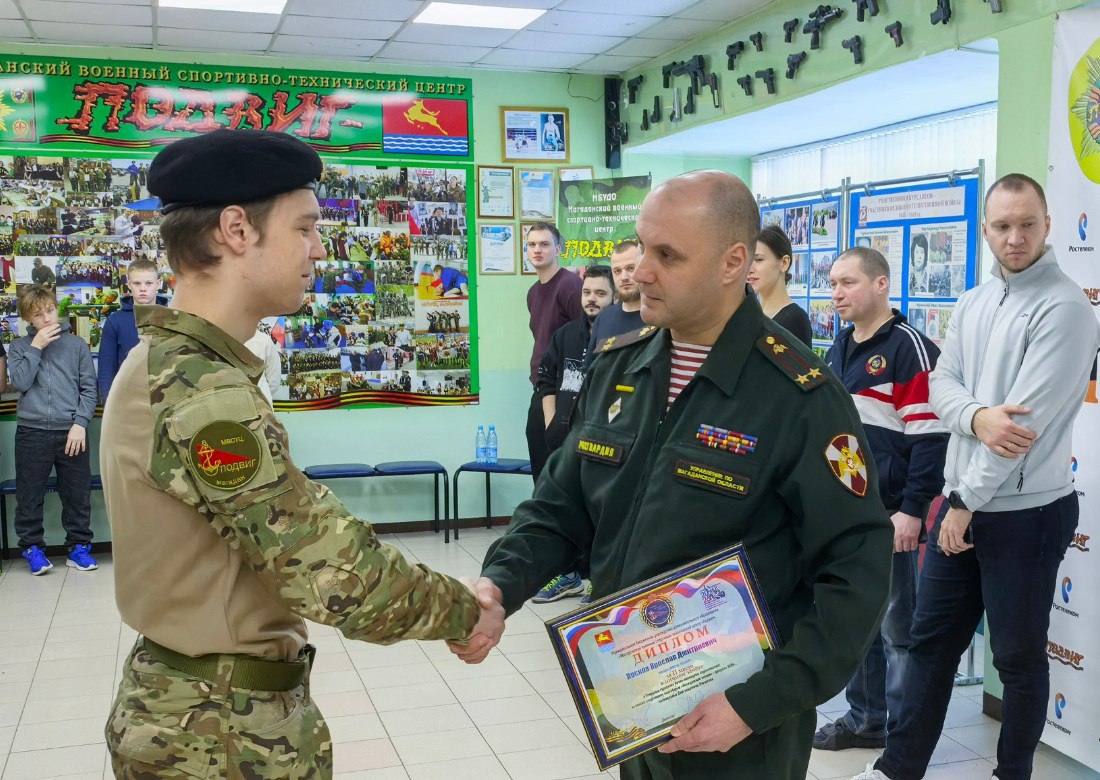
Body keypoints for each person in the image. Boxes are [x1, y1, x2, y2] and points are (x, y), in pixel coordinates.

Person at [454, 170, 893, 780]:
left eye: (667, 255)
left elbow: (857, 568)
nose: (640, 271)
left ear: (732, 262)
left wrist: (760, 702)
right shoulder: (620, 367)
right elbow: (560, 506)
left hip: (740, 728)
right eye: (641, 247)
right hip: (635, 700)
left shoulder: (799, 396)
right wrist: (500, 585)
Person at [100, 129, 503, 778]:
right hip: (217, 735)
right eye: (305, 228)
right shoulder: (203, 391)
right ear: (237, 230)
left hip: (204, 711)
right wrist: (465, 612)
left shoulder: (180, 366)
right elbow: (327, 569)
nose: (319, 248)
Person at [852, 174, 1100, 780]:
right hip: (960, 503)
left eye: (1027, 224)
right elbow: (941, 385)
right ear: (986, 230)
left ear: (1047, 225)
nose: (1015, 237)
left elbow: (1021, 430)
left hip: (1025, 515)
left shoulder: (1066, 308)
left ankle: (1011, 773)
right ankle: (896, 769)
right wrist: (976, 417)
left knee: (1017, 660)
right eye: (1002, 226)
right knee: (931, 645)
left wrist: (962, 500)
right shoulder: (973, 301)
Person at [816, 247, 948, 752]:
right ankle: (866, 720)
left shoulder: (908, 347)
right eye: (833, 283)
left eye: (847, 282)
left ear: (881, 284)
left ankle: (903, 737)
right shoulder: (840, 345)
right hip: (849, 513)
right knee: (860, 623)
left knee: (898, 632)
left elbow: (930, 437)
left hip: (893, 514)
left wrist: (912, 510)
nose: (836, 293)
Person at [531, 264, 615, 604]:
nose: (592, 299)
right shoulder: (565, 334)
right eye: (587, 292)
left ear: (614, 298)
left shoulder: (622, 338)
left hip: (602, 446)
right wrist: (552, 421)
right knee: (563, 509)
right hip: (563, 441)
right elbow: (545, 379)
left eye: (600, 293)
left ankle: (598, 578)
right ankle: (567, 576)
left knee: (600, 512)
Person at [7, 284, 98, 575]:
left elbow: (89, 390)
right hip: (32, 432)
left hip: (72, 432)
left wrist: (80, 424)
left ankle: (79, 548)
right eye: (38, 315)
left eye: (50, 310)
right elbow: (21, 382)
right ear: (27, 319)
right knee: (29, 495)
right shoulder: (19, 347)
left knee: (77, 494)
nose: (47, 318)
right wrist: (36, 347)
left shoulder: (77, 345)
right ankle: (32, 549)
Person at [525, 221, 582, 482]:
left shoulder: (570, 286)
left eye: (544, 244)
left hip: (566, 392)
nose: (537, 250)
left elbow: (586, 335)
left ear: (558, 249)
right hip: (541, 386)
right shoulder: (533, 292)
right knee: (539, 459)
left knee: (562, 470)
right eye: (532, 245)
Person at [98, 259, 166, 401]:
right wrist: (109, 405)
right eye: (137, 283)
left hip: (165, 399)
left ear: (158, 283)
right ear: (128, 284)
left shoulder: (172, 319)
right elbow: (106, 370)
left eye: (148, 283)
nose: (143, 288)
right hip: (127, 400)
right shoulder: (115, 321)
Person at [585, 238, 644, 367]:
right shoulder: (604, 318)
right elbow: (590, 370)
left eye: (631, 268)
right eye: (617, 271)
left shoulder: (660, 319)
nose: (624, 277)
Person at [751, 225, 812, 346]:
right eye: (748, 261)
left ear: (784, 263)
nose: (750, 269)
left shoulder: (796, 319)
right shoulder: (748, 315)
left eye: (758, 260)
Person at [244, 325, 283, 404]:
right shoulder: (263, 339)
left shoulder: (263, 340)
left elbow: (273, 381)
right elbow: (274, 381)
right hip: (259, 401)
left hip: (259, 403)